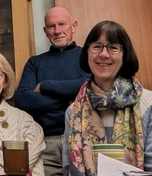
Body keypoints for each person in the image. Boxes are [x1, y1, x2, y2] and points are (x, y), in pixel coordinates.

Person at [63, 20, 152, 175]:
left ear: (125, 54)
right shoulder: (73, 112)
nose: (104, 54)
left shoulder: (148, 104)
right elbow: (68, 169)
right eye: (96, 46)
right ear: (87, 53)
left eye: (113, 47)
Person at [14, 7, 89, 175]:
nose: (57, 31)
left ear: (73, 26)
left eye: (62, 24)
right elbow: (23, 99)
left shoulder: (88, 56)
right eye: (51, 26)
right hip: (46, 144)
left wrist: (44, 85)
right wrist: (69, 100)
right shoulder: (35, 62)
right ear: (45, 31)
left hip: (84, 142)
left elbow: (87, 88)